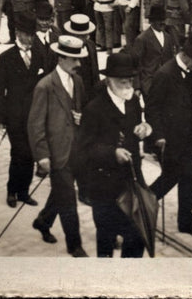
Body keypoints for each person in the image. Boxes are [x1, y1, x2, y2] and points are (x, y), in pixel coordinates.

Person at [77, 53, 153, 257]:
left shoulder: (133, 102)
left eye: (130, 80)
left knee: (137, 236)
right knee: (106, 240)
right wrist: (112, 153)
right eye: (122, 81)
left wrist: (144, 128)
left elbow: (138, 126)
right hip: (104, 187)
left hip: (132, 182)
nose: (128, 85)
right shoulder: (94, 109)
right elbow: (83, 150)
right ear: (109, 81)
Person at [27, 35, 89, 257]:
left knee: (60, 193)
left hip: (74, 150)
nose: (79, 64)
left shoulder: (78, 82)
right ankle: (75, 245)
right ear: (62, 58)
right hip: (55, 153)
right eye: (75, 59)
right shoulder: (45, 86)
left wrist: (80, 118)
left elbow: (79, 111)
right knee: (68, 200)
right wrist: (42, 155)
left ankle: (43, 221)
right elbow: (35, 125)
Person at [147, 33, 192, 237]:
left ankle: (185, 221)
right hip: (170, 139)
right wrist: (158, 136)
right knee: (170, 178)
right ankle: (139, 205)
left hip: (189, 137)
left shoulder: (190, 73)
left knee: (188, 180)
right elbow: (152, 108)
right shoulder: (165, 74)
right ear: (186, 56)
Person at [0, 13, 43, 208]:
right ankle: (12, 191)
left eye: (32, 35)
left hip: (34, 115)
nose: (30, 39)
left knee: (30, 154)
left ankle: (24, 191)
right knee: (18, 153)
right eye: (27, 35)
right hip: (14, 115)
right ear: (18, 34)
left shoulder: (39, 55)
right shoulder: (6, 57)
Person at [129, 5, 178, 99]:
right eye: (159, 20)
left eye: (164, 19)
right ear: (151, 21)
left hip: (166, 83)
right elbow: (135, 64)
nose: (163, 22)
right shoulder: (142, 39)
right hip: (149, 84)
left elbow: (171, 61)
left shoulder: (168, 37)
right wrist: (137, 87)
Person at [62, 13, 101, 104]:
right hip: (75, 95)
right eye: (78, 35)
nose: (81, 38)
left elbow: (95, 70)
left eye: (84, 35)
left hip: (91, 92)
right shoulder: (66, 48)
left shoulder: (91, 45)